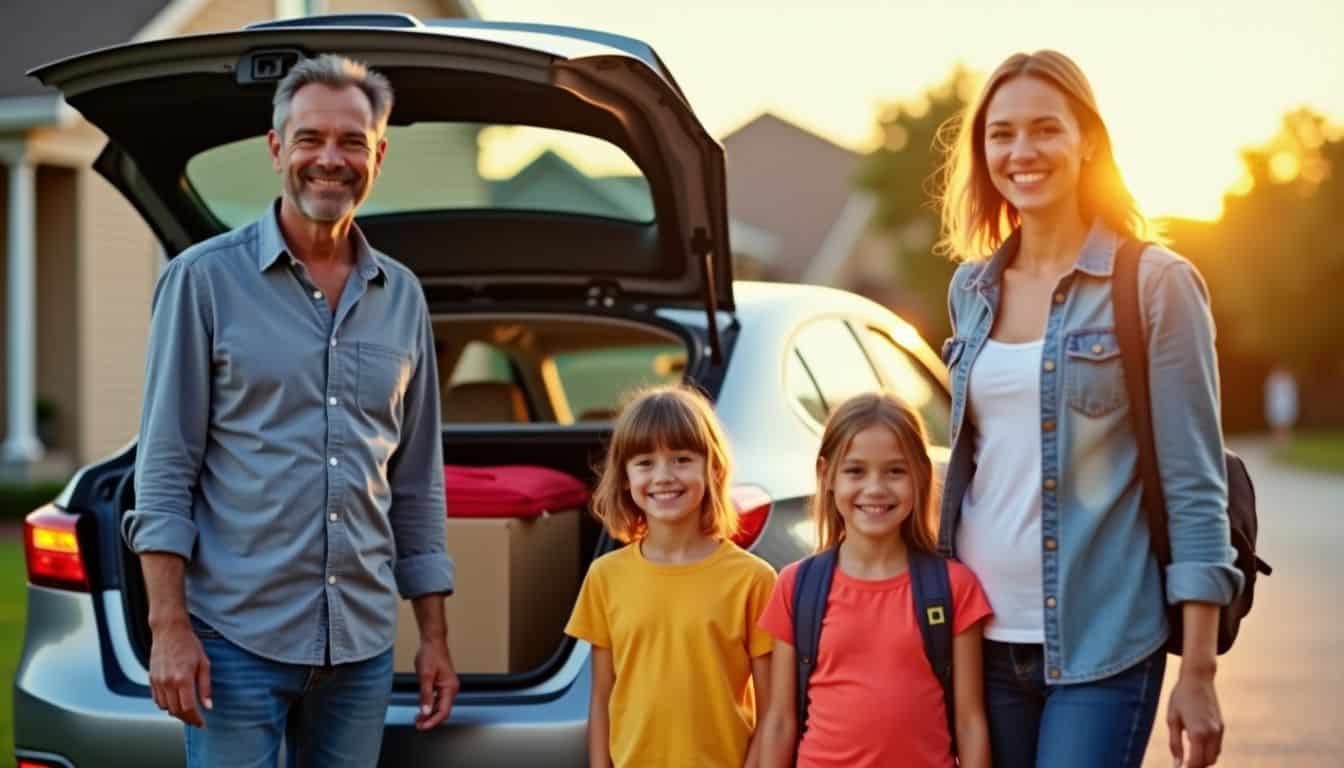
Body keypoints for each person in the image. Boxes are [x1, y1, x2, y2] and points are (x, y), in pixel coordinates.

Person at [122, 55, 458, 767]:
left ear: (379, 155)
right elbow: (165, 469)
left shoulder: (403, 297)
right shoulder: (203, 282)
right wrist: (169, 627)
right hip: (234, 639)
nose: (329, 160)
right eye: (310, 139)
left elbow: (417, 481)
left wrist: (434, 635)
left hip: (362, 644)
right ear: (277, 148)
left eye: (351, 142)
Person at [935, 49, 1244, 768]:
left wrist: (1197, 671)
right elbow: (980, 464)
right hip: (979, 634)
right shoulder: (970, 289)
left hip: (1104, 645)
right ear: (982, 153)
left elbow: (1195, 487)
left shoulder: (1155, 284)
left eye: (1046, 129)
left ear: (1090, 142)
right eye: (1001, 134)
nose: (1022, 151)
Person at [755, 392, 992, 768]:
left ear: (920, 476)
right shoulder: (795, 587)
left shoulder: (954, 588)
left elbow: (970, 721)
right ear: (825, 475)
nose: (875, 488)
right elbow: (779, 721)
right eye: (855, 471)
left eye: (895, 471)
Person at [564, 385, 777, 767]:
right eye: (645, 462)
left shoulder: (753, 580)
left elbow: (771, 709)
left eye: (681, 459)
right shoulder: (605, 576)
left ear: (713, 469)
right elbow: (601, 697)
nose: (663, 476)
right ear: (625, 478)